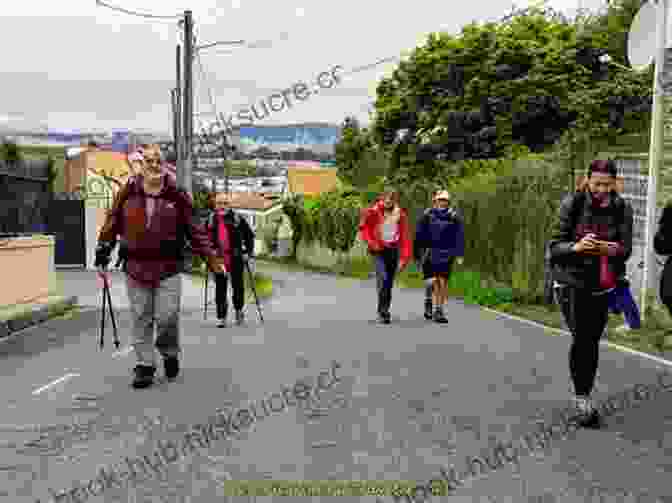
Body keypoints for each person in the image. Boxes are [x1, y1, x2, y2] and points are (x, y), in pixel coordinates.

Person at [94, 145, 226, 389]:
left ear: (164, 164)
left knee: (167, 317)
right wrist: (103, 250)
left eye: (158, 160)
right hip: (135, 266)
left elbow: (195, 231)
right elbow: (112, 221)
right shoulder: (128, 192)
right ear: (141, 165)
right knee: (141, 316)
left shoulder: (177, 194)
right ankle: (145, 365)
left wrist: (214, 262)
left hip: (168, 267)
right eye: (148, 161)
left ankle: (169, 352)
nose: (153, 165)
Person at [549, 159, 633, 428]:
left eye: (607, 185)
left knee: (590, 340)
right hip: (570, 282)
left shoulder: (623, 208)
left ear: (615, 183)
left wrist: (611, 249)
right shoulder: (572, 204)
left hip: (602, 283)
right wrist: (577, 247)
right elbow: (554, 247)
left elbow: (626, 249)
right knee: (584, 338)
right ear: (587, 181)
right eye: (596, 184)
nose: (601, 189)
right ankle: (583, 399)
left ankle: (583, 394)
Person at [358, 190, 412, 324]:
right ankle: (382, 312)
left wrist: (404, 259)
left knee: (388, 283)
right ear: (381, 199)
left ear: (395, 201)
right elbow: (364, 229)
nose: (388, 201)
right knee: (382, 277)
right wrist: (372, 243)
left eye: (391, 199)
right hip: (377, 250)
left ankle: (385, 309)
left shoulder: (400, 214)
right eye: (386, 198)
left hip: (392, 250)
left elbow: (405, 237)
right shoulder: (373, 211)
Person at [414, 190, 465, 323]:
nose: (442, 202)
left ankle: (439, 310)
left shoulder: (454, 216)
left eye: (445, 200)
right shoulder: (427, 215)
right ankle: (428, 300)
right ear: (435, 201)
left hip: (447, 253)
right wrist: (417, 254)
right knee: (430, 282)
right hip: (429, 252)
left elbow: (459, 236)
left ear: (448, 202)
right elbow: (419, 234)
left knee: (441, 281)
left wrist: (459, 254)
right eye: (440, 200)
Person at [206, 192, 255, 327]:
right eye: (219, 203)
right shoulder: (210, 219)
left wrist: (248, 252)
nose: (222, 206)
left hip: (236, 258)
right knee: (220, 288)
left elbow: (249, 236)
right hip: (218, 259)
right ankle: (222, 317)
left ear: (229, 204)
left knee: (238, 287)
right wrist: (208, 254)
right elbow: (203, 239)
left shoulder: (237, 218)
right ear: (215, 205)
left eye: (225, 203)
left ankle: (239, 310)